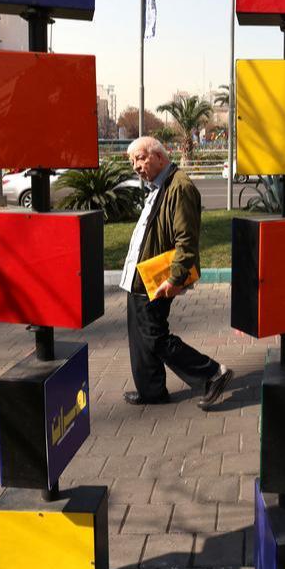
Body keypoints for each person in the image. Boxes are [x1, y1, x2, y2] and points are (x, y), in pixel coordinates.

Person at [119, 136, 232, 409]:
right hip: (139, 275)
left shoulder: (179, 187)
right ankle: (151, 391)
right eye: (133, 161)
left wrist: (175, 278)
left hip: (157, 277)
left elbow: (186, 239)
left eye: (140, 158)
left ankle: (212, 373)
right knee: (141, 336)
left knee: (155, 337)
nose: (136, 166)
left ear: (159, 155)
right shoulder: (159, 186)